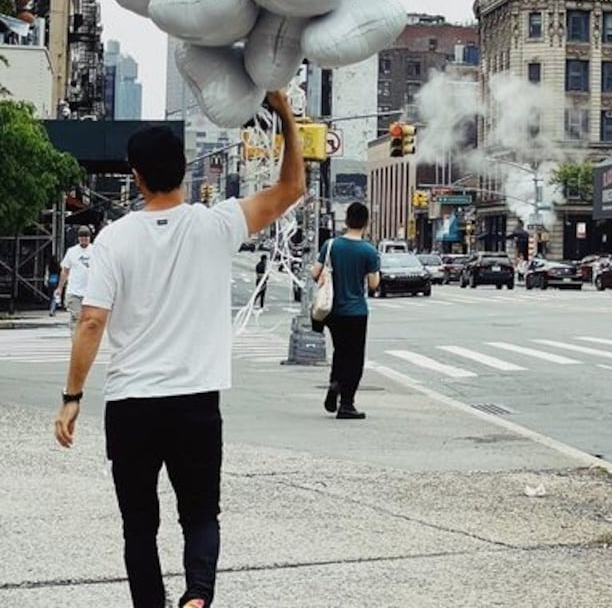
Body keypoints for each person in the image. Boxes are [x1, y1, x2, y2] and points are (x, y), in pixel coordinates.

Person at [53, 90, 304, 608]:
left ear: (136, 176)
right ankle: (197, 596)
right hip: (195, 401)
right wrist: (284, 116)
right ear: (185, 170)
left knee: (139, 525)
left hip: (131, 404)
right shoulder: (217, 224)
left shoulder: (114, 239)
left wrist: (72, 396)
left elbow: (92, 321)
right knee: (201, 513)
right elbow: (291, 187)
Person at [311, 202, 380, 420]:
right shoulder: (369, 251)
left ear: (347, 220)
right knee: (354, 358)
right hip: (356, 311)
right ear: (366, 222)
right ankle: (346, 404)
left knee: (340, 352)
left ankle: (335, 383)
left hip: (332, 311)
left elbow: (315, 273)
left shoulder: (331, 245)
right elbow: (373, 284)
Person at [59, 226, 94, 335]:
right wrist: (60, 287)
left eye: (86, 237)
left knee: (88, 319)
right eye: (82, 237)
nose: (84, 240)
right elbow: (65, 270)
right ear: (78, 238)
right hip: (74, 291)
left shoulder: (96, 251)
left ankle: (84, 339)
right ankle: (76, 340)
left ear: (90, 238)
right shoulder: (72, 252)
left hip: (90, 292)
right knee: (77, 316)